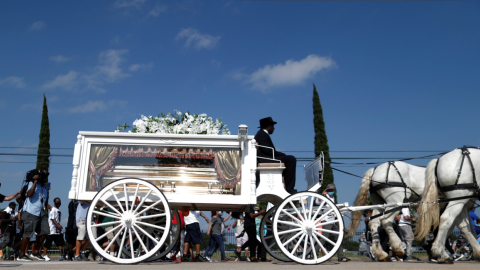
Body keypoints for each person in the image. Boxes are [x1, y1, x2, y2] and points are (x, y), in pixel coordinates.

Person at [254, 117, 297, 194]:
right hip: (265, 159)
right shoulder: (262, 134)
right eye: (272, 126)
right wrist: (282, 154)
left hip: (266, 157)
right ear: (267, 127)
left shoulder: (262, 134)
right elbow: (268, 150)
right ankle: (290, 189)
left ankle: (286, 185)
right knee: (291, 159)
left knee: (288, 159)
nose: (274, 128)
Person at [17, 170, 50, 262]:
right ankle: (21, 255)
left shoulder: (44, 186)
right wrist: (35, 182)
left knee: (45, 231)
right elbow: (29, 194)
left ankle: (35, 252)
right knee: (27, 234)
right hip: (30, 212)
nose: (45, 178)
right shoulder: (31, 183)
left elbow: (42, 199)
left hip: (40, 213)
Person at [317, 184, 350, 262]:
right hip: (326, 221)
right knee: (323, 239)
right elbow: (317, 202)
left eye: (333, 190)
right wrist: (322, 194)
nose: (332, 191)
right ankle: (312, 253)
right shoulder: (324, 197)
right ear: (327, 189)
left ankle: (340, 256)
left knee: (338, 238)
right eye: (330, 190)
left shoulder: (333, 198)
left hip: (333, 221)